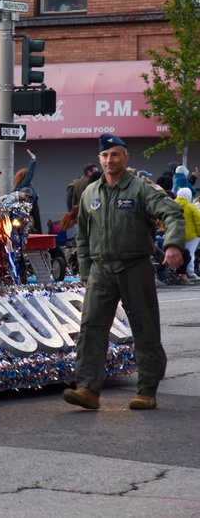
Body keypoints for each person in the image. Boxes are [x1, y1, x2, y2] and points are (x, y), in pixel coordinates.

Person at [63, 133, 186, 412]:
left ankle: (146, 391)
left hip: (134, 267)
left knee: (145, 329)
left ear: (126, 157)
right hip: (101, 270)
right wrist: (85, 271)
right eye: (105, 155)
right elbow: (82, 235)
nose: (110, 160)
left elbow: (172, 214)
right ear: (99, 159)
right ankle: (88, 390)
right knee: (91, 329)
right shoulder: (90, 193)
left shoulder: (141, 190)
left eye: (115, 154)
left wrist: (173, 244)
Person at [11, 149, 43, 234]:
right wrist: (33, 160)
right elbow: (29, 174)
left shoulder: (18, 189)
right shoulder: (23, 186)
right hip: (30, 216)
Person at [174, 187, 200, 281]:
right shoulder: (191, 206)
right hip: (191, 235)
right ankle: (190, 273)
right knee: (190, 254)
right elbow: (198, 221)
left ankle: (175, 271)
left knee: (179, 253)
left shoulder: (173, 204)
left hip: (176, 234)